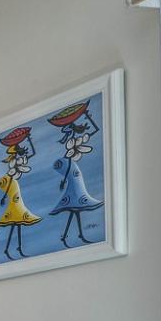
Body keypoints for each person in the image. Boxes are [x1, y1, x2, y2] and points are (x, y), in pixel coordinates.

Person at [47, 100, 104, 246]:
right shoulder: (70, 150)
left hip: (75, 181)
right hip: (74, 182)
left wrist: (88, 116)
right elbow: (66, 166)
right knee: (75, 209)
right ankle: (72, 236)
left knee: (75, 211)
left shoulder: (76, 145)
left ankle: (69, 236)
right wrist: (64, 180)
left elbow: (95, 130)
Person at [0, 126, 41, 259]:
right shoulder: (13, 167)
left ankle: (15, 247)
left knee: (17, 222)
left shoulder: (17, 164)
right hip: (13, 192)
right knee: (16, 221)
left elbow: (31, 154)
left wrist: (30, 140)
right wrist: (4, 196)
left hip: (15, 192)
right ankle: (11, 248)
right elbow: (10, 179)